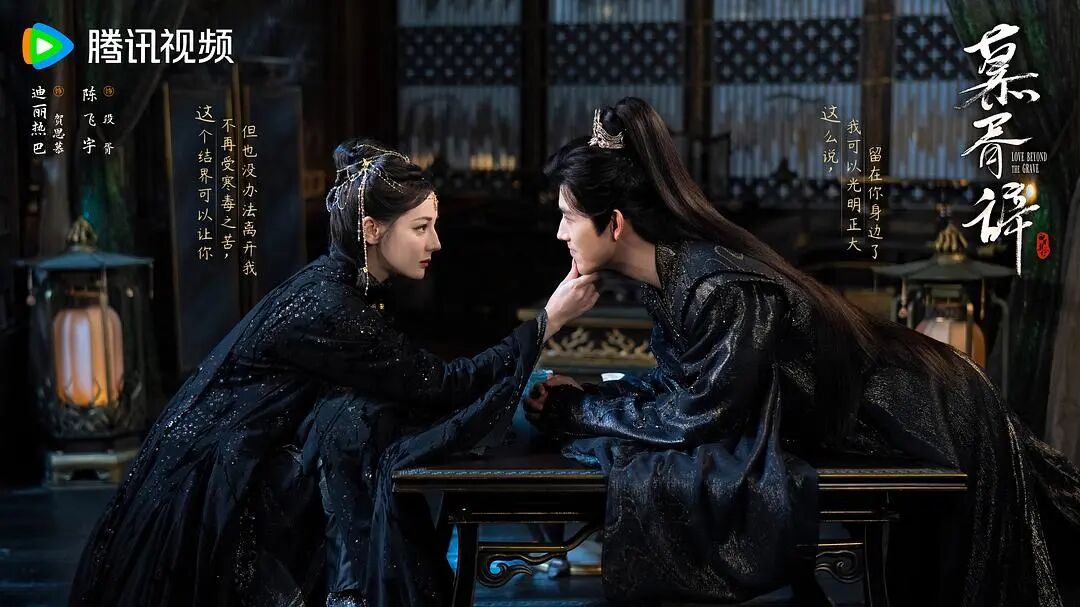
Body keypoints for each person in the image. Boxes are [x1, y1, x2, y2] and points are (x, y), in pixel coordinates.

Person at [525, 98, 1080, 606]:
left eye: (568, 217)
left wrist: (575, 410)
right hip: (889, 414)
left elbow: (699, 417)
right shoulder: (670, 281)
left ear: (614, 223)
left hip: (929, 409)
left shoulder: (720, 288)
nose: (558, 234)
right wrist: (588, 396)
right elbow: (688, 390)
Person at [69, 139, 600, 607]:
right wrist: (548, 321)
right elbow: (439, 386)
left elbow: (416, 380)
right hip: (212, 479)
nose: (435, 243)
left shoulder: (346, 286)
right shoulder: (330, 305)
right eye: (421, 228)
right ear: (371, 230)